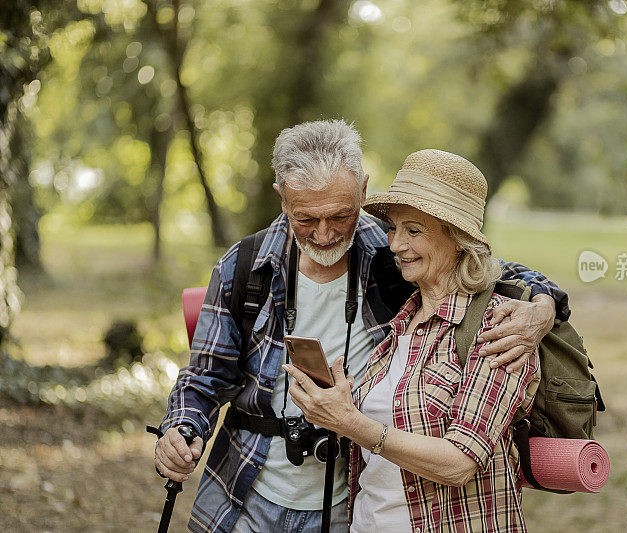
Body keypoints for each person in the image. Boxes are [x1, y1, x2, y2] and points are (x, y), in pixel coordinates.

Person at [154, 121, 569, 533]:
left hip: (345, 498)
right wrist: (183, 427)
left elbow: (481, 266)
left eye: (341, 214)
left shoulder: (389, 253)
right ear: (282, 198)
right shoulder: (242, 267)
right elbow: (207, 376)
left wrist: (544, 304)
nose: (325, 233)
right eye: (306, 219)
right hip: (246, 490)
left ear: (363, 190)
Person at [286, 148, 541, 532]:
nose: (395, 245)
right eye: (394, 229)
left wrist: (351, 422)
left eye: (414, 231)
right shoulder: (401, 323)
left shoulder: (499, 326)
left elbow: (459, 464)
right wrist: (331, 406)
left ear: (457, 239)